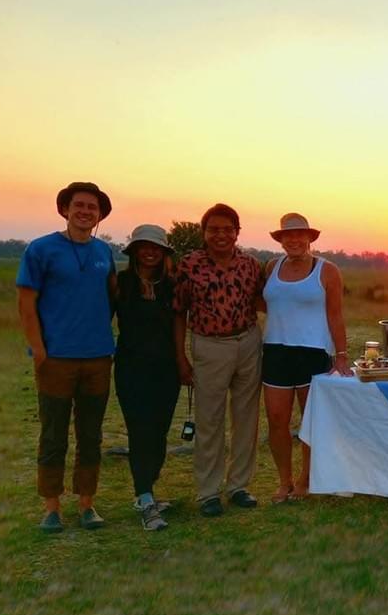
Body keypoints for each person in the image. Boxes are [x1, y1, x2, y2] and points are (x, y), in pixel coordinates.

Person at [16, 181, 118, 532]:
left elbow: (109, 301)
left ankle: (87, 503)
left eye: (93, 207)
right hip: (56, 358)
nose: (86, 211)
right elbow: (26, 303)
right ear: (65, 209)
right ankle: (52, 507)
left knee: (91, 434)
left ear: (100, 215)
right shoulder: (41, 249)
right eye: (79, 205)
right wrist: (39, 347)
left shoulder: (104, 253)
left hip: (97, 358)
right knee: (53, 433)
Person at [174, 203, 264, 516]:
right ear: (204, 233)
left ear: (237, 232)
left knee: (246, 418)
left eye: (228, 229)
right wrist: (181, 356)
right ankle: (208, 491)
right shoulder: (189, 264)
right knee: (209, 420)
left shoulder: (251, 265)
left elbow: (263, 301)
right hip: (210, 345)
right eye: (214, 229)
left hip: (248, 341)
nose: (221, 235)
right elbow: (178, 313)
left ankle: (238, 485)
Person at [262, 213, 352, 503]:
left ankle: (306, 478)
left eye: (301, 234)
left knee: (309, 421)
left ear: (311, 238)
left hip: (313, 353)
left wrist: (341, 357)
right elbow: (266, 303)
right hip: (275, 351)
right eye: (288, 235)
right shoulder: (271, 268)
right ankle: (283, 481)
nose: (294, 240)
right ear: (280, 240)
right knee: (277, 420)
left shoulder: (327, 271)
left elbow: (336, 316)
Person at [114, 225, 180, 531]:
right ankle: (144, 496)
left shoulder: (172, 286)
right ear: (135, 251)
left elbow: (180, 326)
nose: (150, 252)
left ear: (164, 252)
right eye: (144, 247)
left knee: (159, 432)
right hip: (131, 368)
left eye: (156, 248)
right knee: (139, 432)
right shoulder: (121, 283)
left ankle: (148, 489)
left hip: (166, 369)